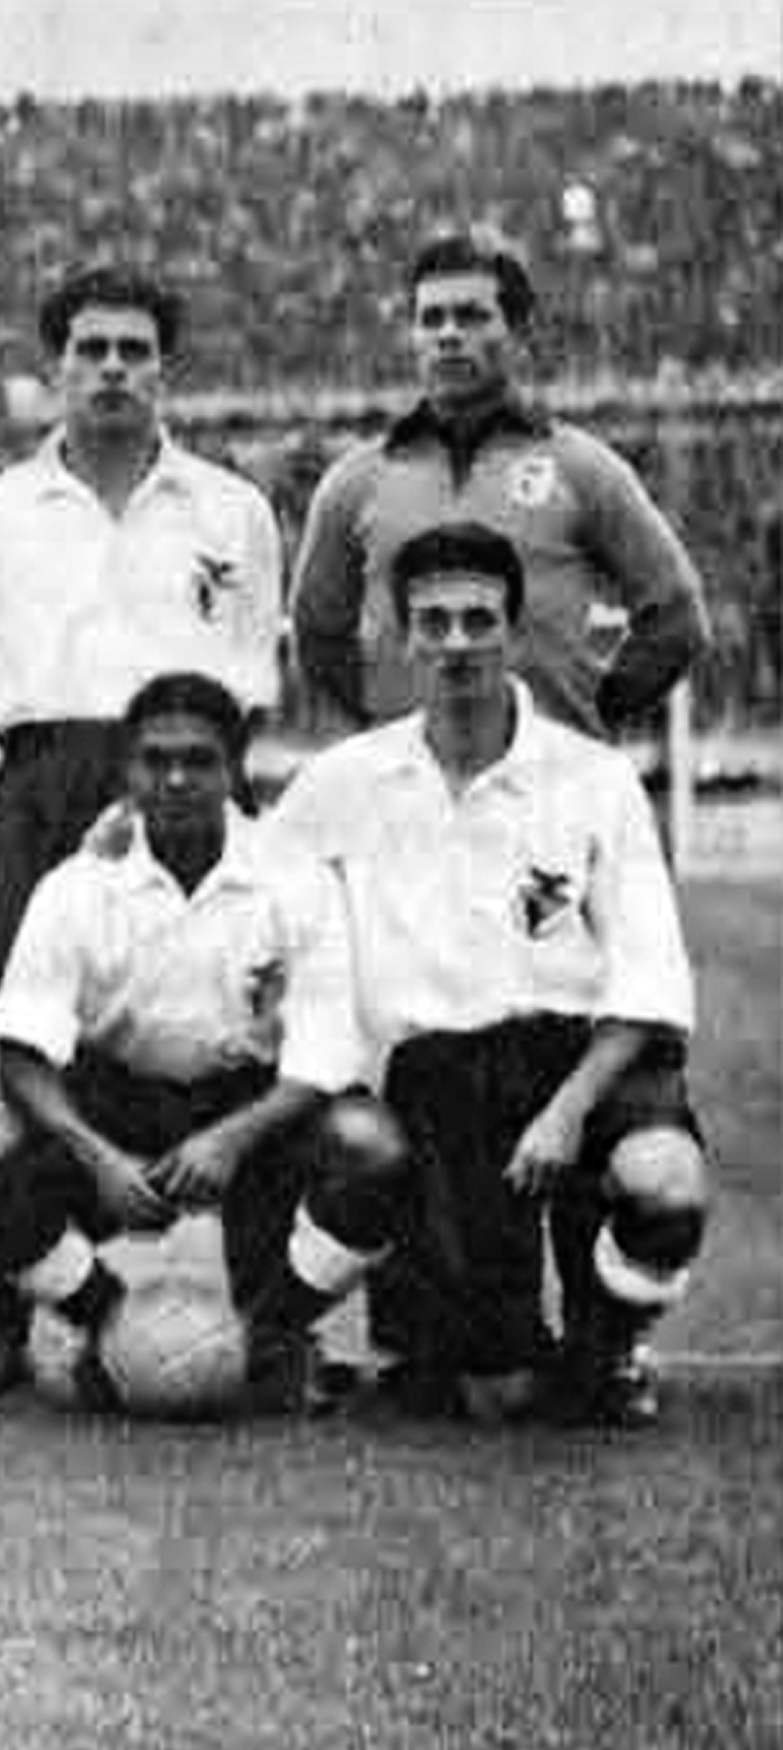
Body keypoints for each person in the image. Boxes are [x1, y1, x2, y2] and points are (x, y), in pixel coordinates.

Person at [0, 264, 284, 1396]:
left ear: (163, 365)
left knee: (239, 1036)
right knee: (24, 1063)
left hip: (188, 776)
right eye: (92, 348)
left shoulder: (232, 510)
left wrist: (174, 783)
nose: (114, 367)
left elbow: (251, 689)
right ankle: (6, 1317)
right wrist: (77, 794)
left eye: (134, 348)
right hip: (44, 784)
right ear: (57, 367)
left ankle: (274, 1320)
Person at [272, 523, 709, 1426]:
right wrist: (116, 847)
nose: (457, 642)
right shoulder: (340, 781)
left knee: (663, 1175)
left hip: (586, 1064)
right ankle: (434, 1332)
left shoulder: (593, 779)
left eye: (479, 620)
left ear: (513, 632)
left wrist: (567, 1110)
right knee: (492, 1395)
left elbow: (647, 975)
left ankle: (613, 1347)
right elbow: (249, 898)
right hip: (438, 1083)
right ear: (402, 637)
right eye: (434, 622)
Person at [0, 672, 409, 1410]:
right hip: (114, 1100)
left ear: (233, 768)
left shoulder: (293, 877)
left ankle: (269, 1333)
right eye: (155, 760)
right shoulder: (75, 886)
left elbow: (321, 1058)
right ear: (126, 770)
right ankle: (109, 1324)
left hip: (257, 1103)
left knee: (370, 1145)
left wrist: (228, 1140)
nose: (176, 778)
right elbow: (20, 1058)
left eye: (199, 759)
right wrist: (98, 1157)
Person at [291, 230, 710, 741]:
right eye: (431, 319)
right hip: (410, 798)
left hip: (543, 794)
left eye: (470, 316)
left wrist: (587, 717)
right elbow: (316, 633)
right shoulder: (356, 482)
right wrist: (383, 727)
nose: (447, 334)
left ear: (519, 330)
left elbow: (676, 617)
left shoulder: (582, 469)